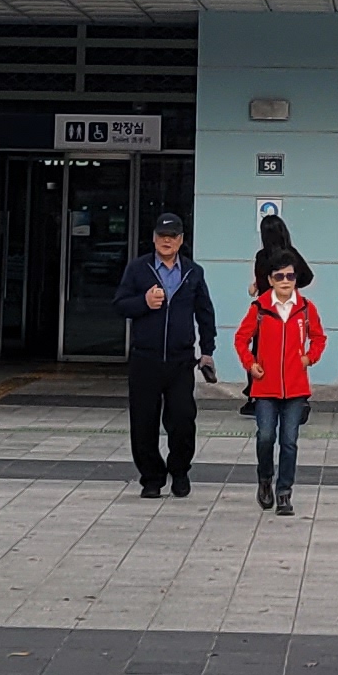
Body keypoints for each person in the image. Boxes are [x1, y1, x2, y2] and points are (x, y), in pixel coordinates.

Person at [115, 209, 218, 496]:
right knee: (143, 423)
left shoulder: (193, 272)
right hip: (145, 358)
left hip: (180, 360)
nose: (166, 241)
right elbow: (120, 305)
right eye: (162, 235)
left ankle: (180, 471)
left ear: (181, 239)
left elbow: (205, 313)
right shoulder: (138, 269)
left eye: (172, 236)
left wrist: (207, 350)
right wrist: (144, 302)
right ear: (154, 238)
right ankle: (152, 478)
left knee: (183, 419)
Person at [235, 254, 326, 514]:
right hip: (265, 387)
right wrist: (250, 364)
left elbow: (319, 338)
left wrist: (309, 358)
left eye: (290, 276)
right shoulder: (260, 308)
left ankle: (284, 492)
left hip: (296, 388)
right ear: (270, 280)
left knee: (289, 441)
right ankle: (265, 479)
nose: (285, 281)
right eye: (279, 276)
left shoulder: (306, 308)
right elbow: (241, 339)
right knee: (265, 437)